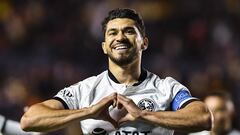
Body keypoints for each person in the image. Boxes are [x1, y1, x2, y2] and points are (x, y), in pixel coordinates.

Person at [20, 8, 212, 135]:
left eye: (129, 31)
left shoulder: (166, 88)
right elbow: (29, 119)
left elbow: (203, 117)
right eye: (112, 32)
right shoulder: (85, 90)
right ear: (104, 46)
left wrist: (145, 115)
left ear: (143, 42)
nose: (120, 37)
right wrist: (88, 112)